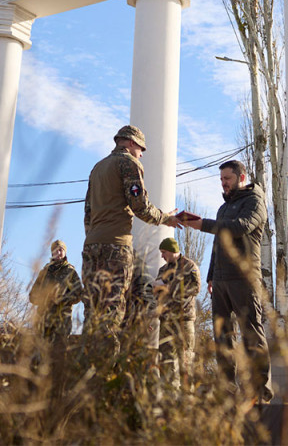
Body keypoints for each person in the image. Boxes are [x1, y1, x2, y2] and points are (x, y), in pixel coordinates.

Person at [179, 159, 272, 401]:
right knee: (222, 337)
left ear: (241, 178)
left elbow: (239, 228)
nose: (223, 184)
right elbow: (218, 244)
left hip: (244, 277)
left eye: (227, 179)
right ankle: (227, 388)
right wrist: (211, 275)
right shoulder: (223, 207)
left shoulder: (255, 201)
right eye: (221, 180)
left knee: (251, 333)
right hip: (220, 281)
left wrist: (203, 225)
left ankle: (260, 389)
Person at [82, 125, 175, 335]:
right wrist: (166, 218)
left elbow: (87, 211)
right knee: (111, 313)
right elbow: (140, 206)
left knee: (92, 311)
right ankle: (106, 364)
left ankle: (87, 363)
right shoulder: (129, 163)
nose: (141, 154)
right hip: (116, 246)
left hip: (91, 247)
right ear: (132, 143)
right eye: (141, 148)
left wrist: (94, 237)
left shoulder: (97, 167)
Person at [153, 236, 199, 390]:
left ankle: (188, 398)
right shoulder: (163, 270)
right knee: (166, 360)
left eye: (164, 252)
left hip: (183, 319)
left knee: (185, 359)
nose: (162, 256)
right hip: (166, 320)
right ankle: (170, 398)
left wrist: (170, 289)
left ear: (173, 251)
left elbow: (195, 288)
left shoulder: (189, 266)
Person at [28, 240, 82, 344]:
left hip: (62, 323)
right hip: (43, 321)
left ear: (65, 252)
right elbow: (32, 296)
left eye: (61, 250)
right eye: (56, 250)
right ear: (52, 253)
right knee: (41, 354)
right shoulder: (44, 272)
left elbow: (79, 294)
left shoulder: (70, 272)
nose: (58, 252)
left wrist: (61, 298)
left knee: (59, 354)